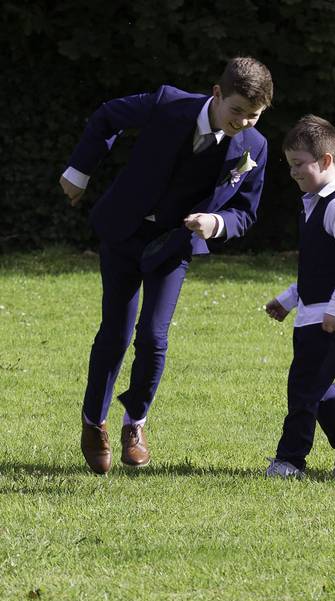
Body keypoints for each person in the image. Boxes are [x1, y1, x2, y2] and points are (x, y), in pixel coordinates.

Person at [60, 57, 273, 474]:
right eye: (237, 112)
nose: (244, 123)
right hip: (124, 232)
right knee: (115, 333)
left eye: (254, 116)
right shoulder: (166, 103)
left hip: (173, 245)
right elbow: (107, 117)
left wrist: (216, 222)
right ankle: (93, 423)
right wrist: (78, 171)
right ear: (216, 94)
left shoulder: (255, 148)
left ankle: (134, 424)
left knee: (154, 339)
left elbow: (245, 213)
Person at [263, 115, 335, 479]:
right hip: (313, 313)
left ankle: (290, 461)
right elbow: (316, 268)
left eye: (299, 164)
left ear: (326, 161)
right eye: (291, 165)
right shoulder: (312, 204)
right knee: (318, 384)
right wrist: (288, 299)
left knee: (304, 388)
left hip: (332, 316)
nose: (293, 172)